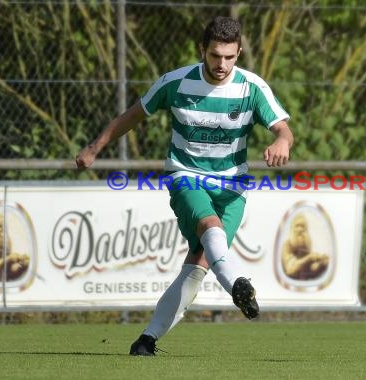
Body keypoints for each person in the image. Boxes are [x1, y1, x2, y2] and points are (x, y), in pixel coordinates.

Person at [75, 16, 294, 356]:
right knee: (210, 225)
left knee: (199, 263)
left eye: (230, 57)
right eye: (215, 56)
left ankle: (146, 340)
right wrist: (94, 147)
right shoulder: (175, 83)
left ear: (239, 53)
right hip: (185, 175)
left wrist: (282, 141)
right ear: (202, 50)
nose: (222, 64)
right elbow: (132, 115)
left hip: (232, 187)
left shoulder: (252, 87)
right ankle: (238, 283)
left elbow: (283, 129)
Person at [281, 214, 329, 280]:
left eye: (303, 226)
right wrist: (309, 258)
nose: (300, 229)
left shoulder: (306, 246)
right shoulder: (287, 245)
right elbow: (290, 269)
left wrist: (321, 263)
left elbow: (311, 269)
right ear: (292, 228)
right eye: (297, 226)